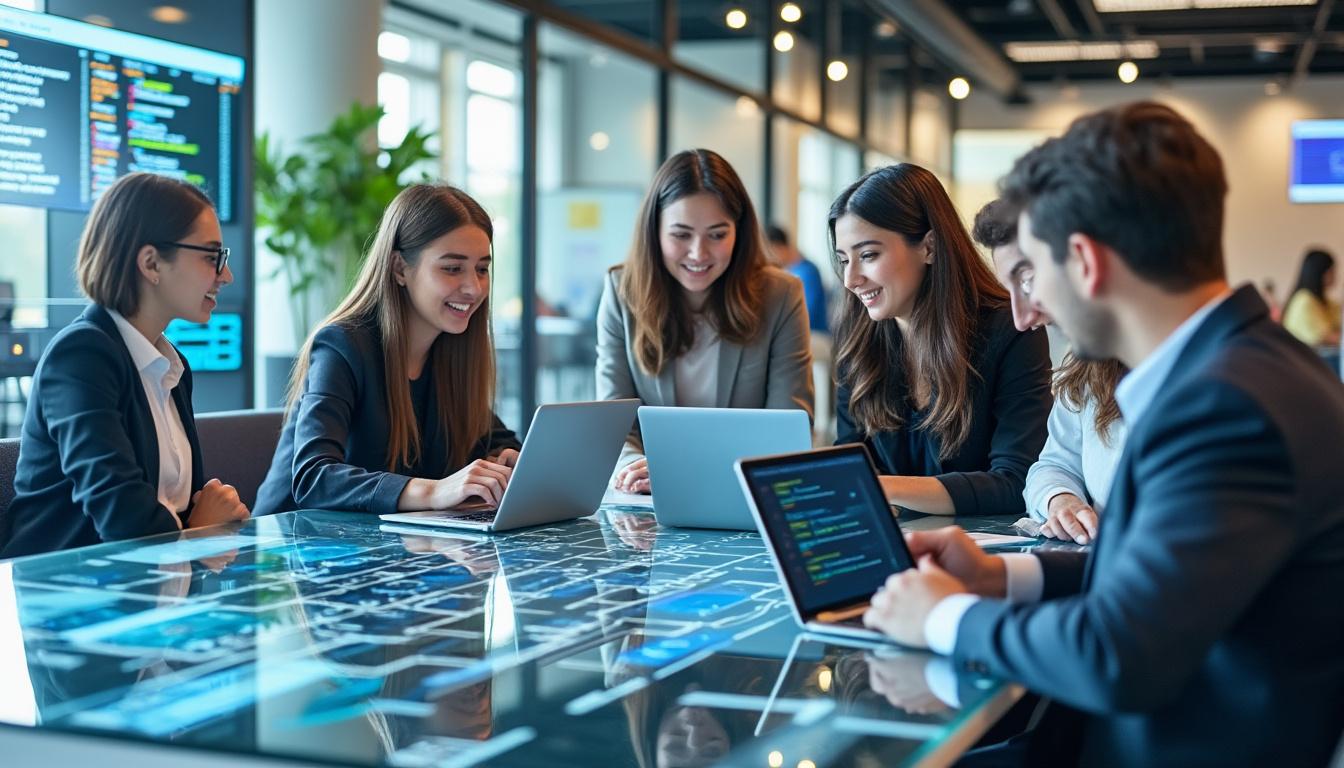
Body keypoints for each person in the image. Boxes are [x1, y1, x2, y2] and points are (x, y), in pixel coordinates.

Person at [863, 102, 1344, 768]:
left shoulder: (1227, 406)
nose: (1027, 315)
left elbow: (1119, 654)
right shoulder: (1243, 371)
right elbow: (1158, 574)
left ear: (1085, 262)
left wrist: (945, 619)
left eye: (1035, 269)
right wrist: (1002, 575)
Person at [1, 172, 249, 558]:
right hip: (66, 596)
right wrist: (200, 533)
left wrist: (199, 528)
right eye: (211, 256)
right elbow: (126, 523)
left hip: (150, 591)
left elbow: (181, 512)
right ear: (151, 263)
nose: (226, 275)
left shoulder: (171, 366)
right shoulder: (81, 356)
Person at [254, 184, 520, 516]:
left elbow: (495, 439)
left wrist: (508, 459)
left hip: (387, 550)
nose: (473, 287)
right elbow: (314, 477)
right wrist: (434, 490)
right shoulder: (343, 345)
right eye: (452, 268)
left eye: (482, 269)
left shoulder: (450, 351)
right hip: (293, 549)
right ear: (399, 269)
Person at [830, 164, 1052, 517]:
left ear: (929, 247)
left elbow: (1017, 481)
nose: (851, 279)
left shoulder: (1011, 329)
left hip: (984, 549)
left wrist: (882, 487)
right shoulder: (858, 341)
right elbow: (850, 460)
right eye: (844, 260)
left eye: (869, 255)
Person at [596, 149, 813, 495]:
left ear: (738, 232)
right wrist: (631, 470)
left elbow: (788, 428)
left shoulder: (781, 295)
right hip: (649, 498)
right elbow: (613, 422)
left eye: (717, 234)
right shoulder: (623, 292)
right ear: (655, 231)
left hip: (744, 493)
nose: (698, 253)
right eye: (681, 235)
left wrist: (690, 473)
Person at [972, 198, 1127, 545]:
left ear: (1085, 259)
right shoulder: (1091, 367)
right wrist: (1062, 500)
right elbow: (1052, 465)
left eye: (1027, 283)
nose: (1022, 319)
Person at [768, 223, 836, 440]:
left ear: (780, 247)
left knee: (785, 345)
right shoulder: (788, 272)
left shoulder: (807, 270)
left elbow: (810, 315)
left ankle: (805, 422)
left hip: (818, 336)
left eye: (771, 250)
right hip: (808, 335)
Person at [1281, 247, 1341, 347]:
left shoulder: (1326, 302)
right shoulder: (1304, 301)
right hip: (1303, 360)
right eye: (1332, 271)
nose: (1336, 276)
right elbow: (1329, 338)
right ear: (1321, 273)